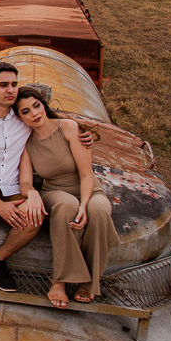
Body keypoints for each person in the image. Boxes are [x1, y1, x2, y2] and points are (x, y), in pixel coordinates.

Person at [0, 62, 92, 289]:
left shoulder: (22, 116)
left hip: (13, 189)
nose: (10, 90)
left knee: (35, 214)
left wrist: (90, 134)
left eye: (14, 84)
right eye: (3, 85)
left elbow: (52, 122)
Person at [13, 86, 119, 308]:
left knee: (99, 210)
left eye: (36, 106)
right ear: (20, 117)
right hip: (54, 191)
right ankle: (60, 281)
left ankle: (90, 281)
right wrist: (31, 193)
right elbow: (25, 182)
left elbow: (86, 174)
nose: (34, 113)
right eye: (25, 111)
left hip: (87, 187)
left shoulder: (69, 127)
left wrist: (85, 205)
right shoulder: (26, 143)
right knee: (66, 205)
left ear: (43, 105)